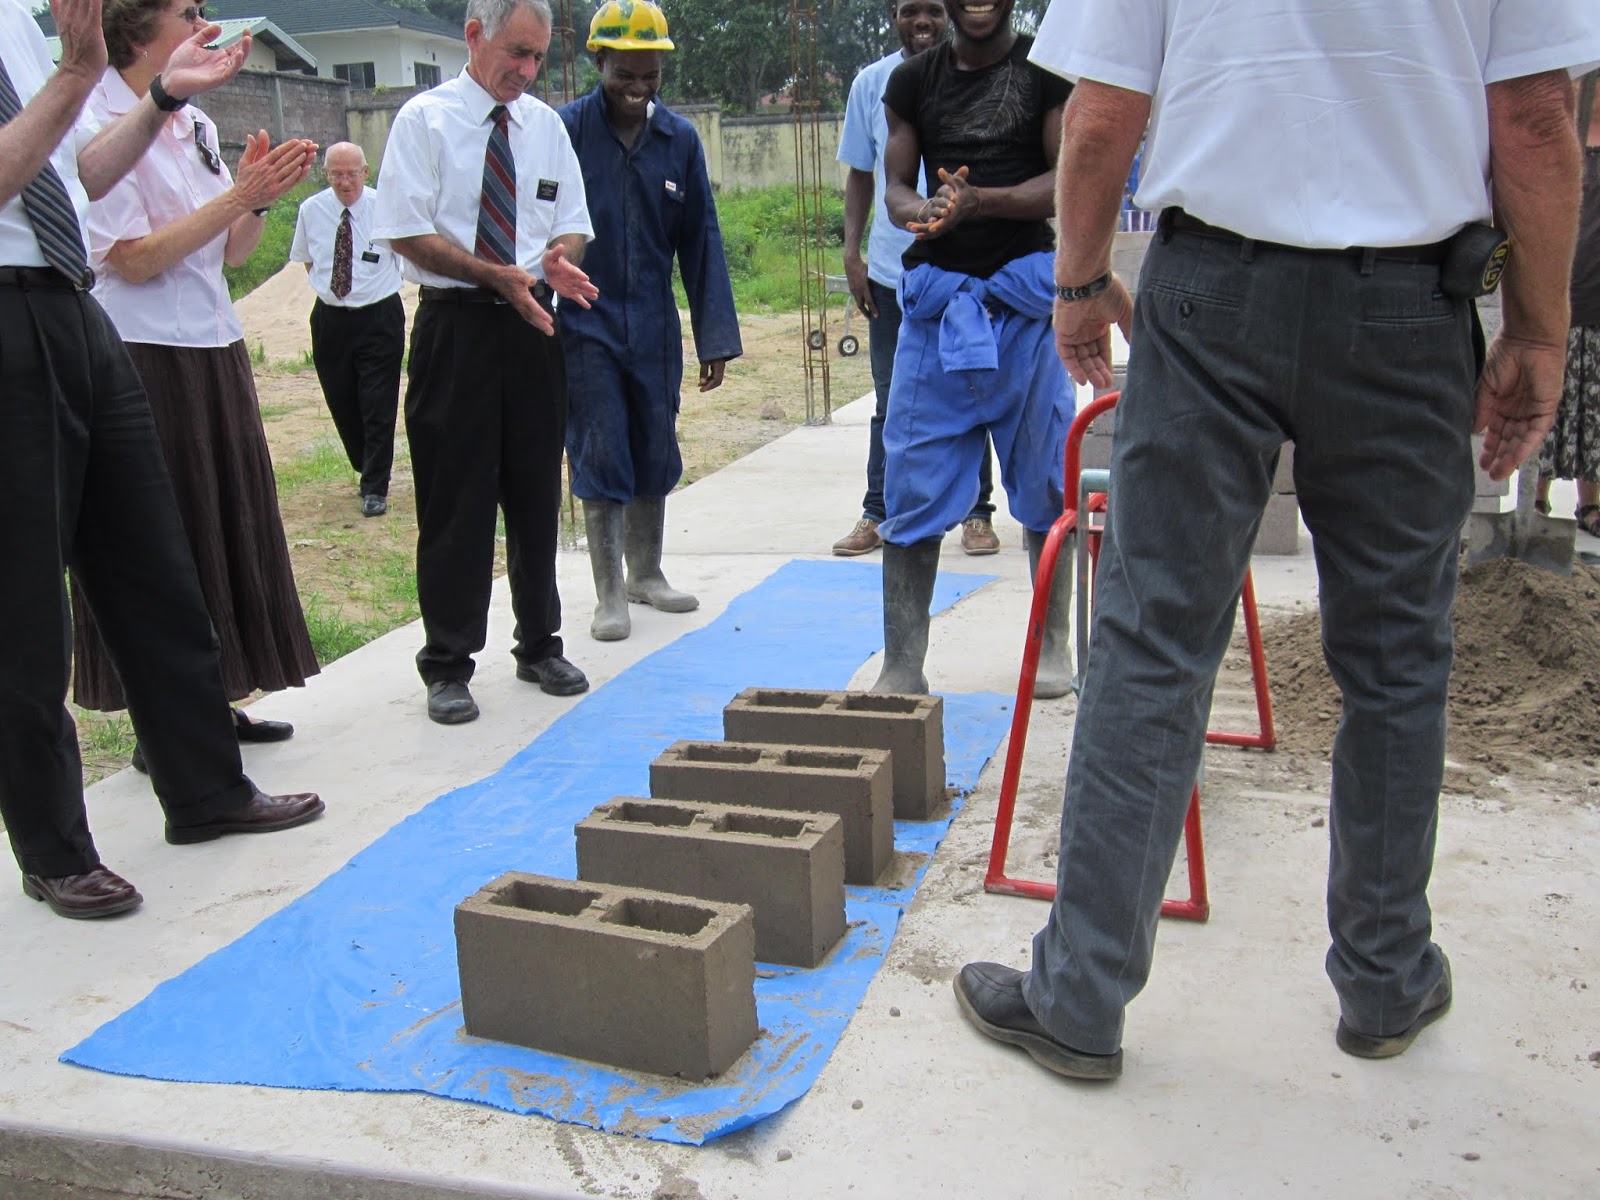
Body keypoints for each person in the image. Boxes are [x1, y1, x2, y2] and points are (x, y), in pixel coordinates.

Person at [952, 0, 1596, 1080]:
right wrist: (1535, 328)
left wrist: (1075, 280)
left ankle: (1079, 999)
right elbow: (1535, 119)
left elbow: (1102, 117)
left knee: (1154, 649)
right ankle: (1385, 980)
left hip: (1210, 300)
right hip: (1404, 307)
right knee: (1395, 660)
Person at [0, 0, 323, 921]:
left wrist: (161, 102)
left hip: (71, 305)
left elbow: (75, 177)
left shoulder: (21, 30)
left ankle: (205, 789)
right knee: (24, 610)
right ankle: (54, 849)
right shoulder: (54, 49)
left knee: (154, 565)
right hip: (5, 317)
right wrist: (75, 72)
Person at [69, 0, 322, 758]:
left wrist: (259, 195)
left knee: (224, 523)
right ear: (139, 30)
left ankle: (216, 697)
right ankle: (165, 721)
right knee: (168, 537)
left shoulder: (199, 125)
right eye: (187, 12)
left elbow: (238, 254)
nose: (206, 23)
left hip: (214, 342)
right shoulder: (100, 122)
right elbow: (134, 258)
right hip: (143, 353)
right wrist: (233, 199)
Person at [373, 0, 598, 725]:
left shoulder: (545, 127)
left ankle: (540, 643)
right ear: (474, 36)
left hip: (533, 326)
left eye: (538, 58)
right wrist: (491, 273)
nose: (527, 71)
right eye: (517, 53)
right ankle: (447, 663)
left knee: (536, 493)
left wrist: (558, 263)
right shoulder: (424, 122)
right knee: (456, 500)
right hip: (456, 329)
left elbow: (570, 222)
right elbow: (406, 231)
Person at [871, 0, 1075, 697]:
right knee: (912, 481)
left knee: (1049, 482)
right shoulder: (913, 82)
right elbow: (896, 183)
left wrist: (978, 201)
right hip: (940, 309)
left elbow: (1066, 177)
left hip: (1025, 308)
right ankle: (903, 662)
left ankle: (1053, 648)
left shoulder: (1049, 71)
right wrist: (917, 211)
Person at [557, 0, 740, 642]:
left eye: (648, 78)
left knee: (654, 440)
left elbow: (701, 241)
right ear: (598, 60)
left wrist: (713, 335)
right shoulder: (566, 131)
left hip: (654, 321)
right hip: (585, 318)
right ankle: (610, 591)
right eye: (622, 76)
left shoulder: (679, 141)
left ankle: (647, 572)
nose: (636, 90)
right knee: (601, 443)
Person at [832, 0, 1003, 561]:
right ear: (894, 15)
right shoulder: (872, 84)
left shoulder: (978, 77)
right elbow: (862, 173)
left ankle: (977, 514)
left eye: (932, 9)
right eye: (910, 11)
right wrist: (852, 254)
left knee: (971, 387)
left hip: (964, 276)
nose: (922, 21)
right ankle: (878, 510)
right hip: (890, 275)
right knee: (892, 398)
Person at [290, 141, 405, 519]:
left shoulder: (384, 208)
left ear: (365, 172)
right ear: (326, 174)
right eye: (337, 174)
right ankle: (364, 461)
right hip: (331, 318)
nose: (344, 182)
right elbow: (308, 261)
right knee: (342, 400)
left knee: (378, 402)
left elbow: (403, 259)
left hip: (379, 317)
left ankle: (375, 485)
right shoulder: (312, 210)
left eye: (351, 174)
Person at [1535, 73, 1600, 535]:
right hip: (1560, 276)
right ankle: (1531, 499)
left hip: (1597, 285)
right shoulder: (1565, 110)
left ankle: (1589, 503)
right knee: (1546, 387)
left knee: (1592, 396)